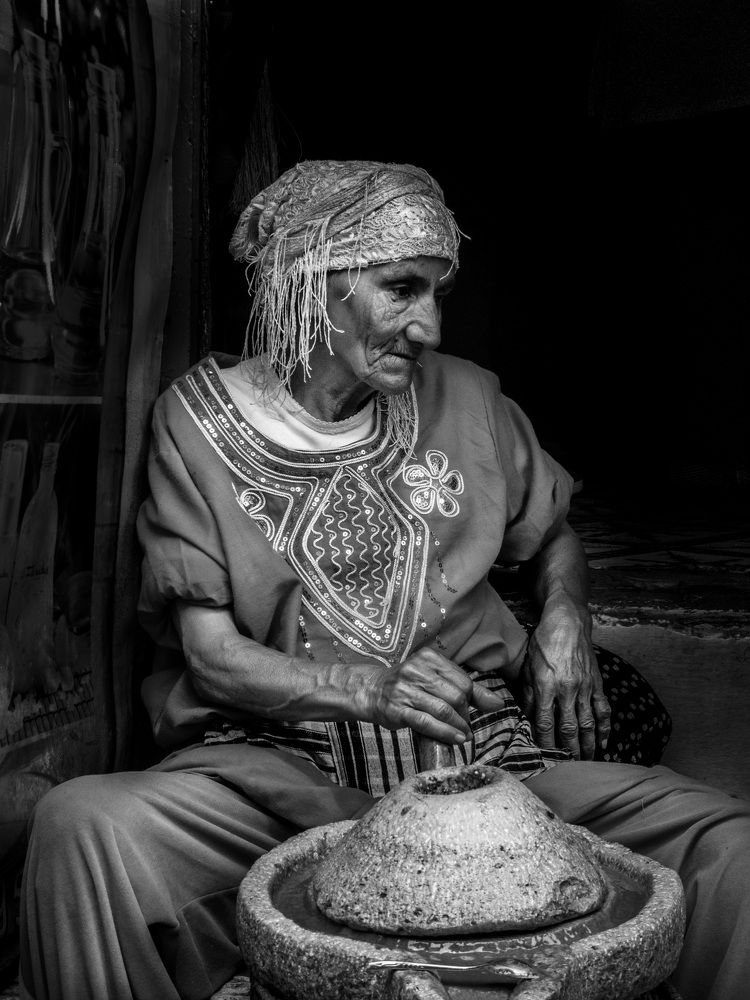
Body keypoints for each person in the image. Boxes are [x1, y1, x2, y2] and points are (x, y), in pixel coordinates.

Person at [18, 160, 749, 1000]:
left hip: (488, 770)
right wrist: (365, 688)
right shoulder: (197, 423)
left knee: (729, 846)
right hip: (283, 773)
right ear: (308, 285)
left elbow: (553, 535)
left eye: (438, 292)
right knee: (81, 828)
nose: (428, 326)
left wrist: (564, 614)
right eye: (401, 288)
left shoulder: (469, 397)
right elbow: (212, 657)